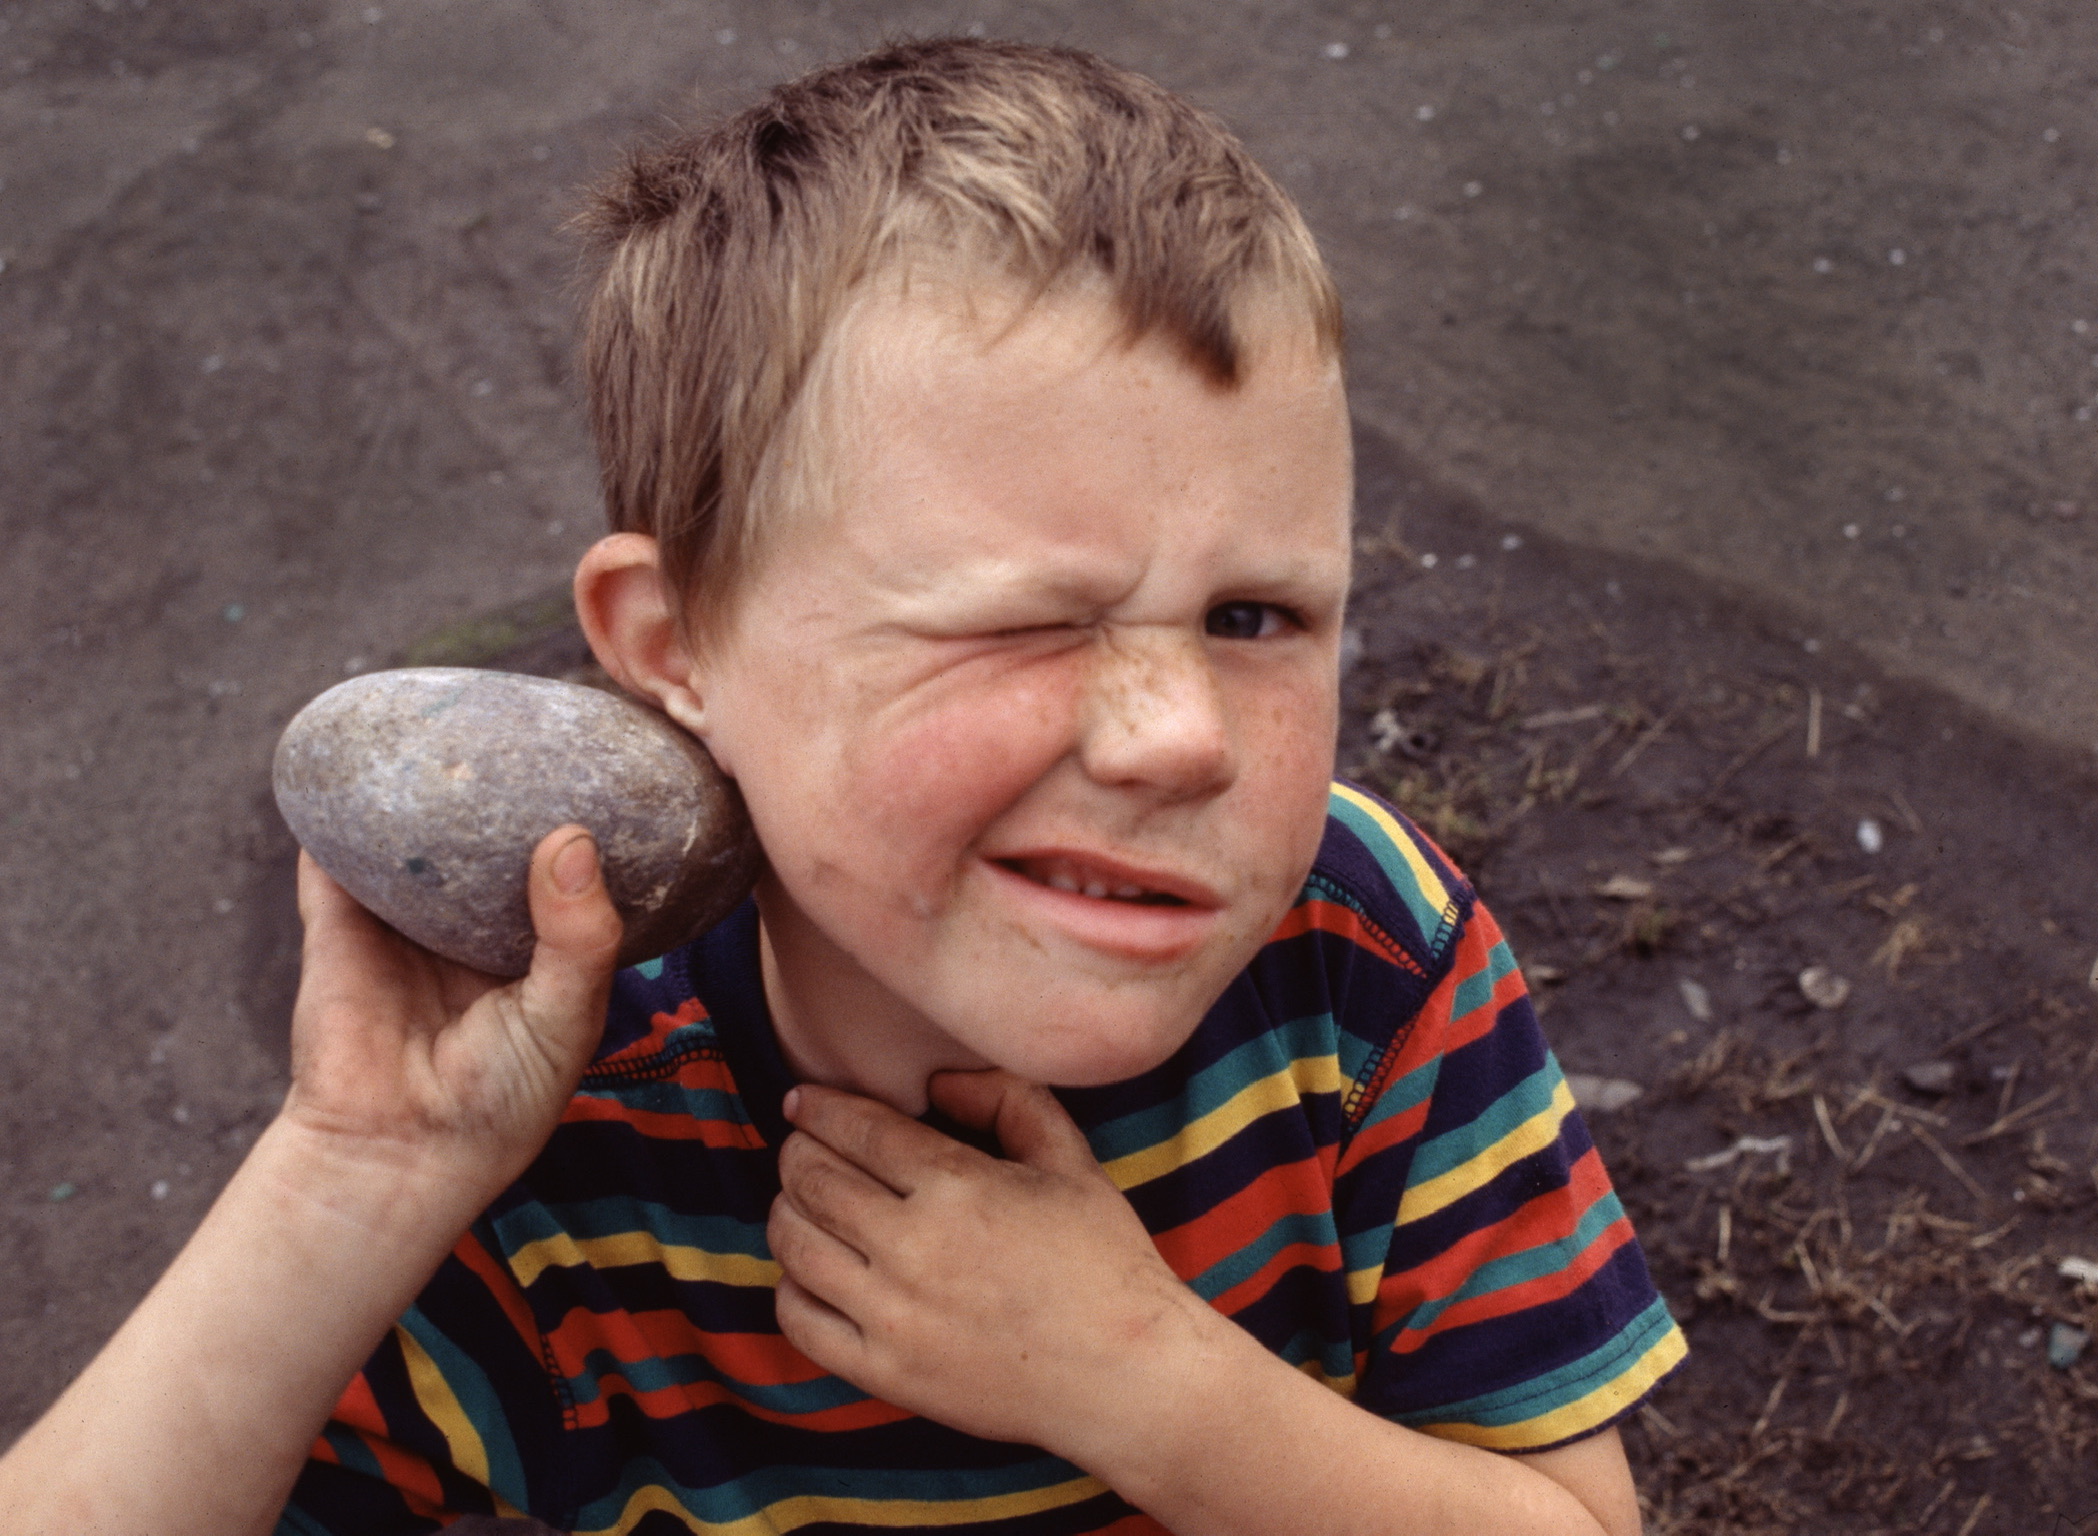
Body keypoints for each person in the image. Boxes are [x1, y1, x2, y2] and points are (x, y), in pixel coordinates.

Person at [0, 37, 1685, 1536]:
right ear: (674, 644)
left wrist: (1147, 1390)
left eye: (1256, 616)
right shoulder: (557, 1120)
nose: (1182, 738)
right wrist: (355, 1174)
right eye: (1025, 618)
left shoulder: (1360, 953)